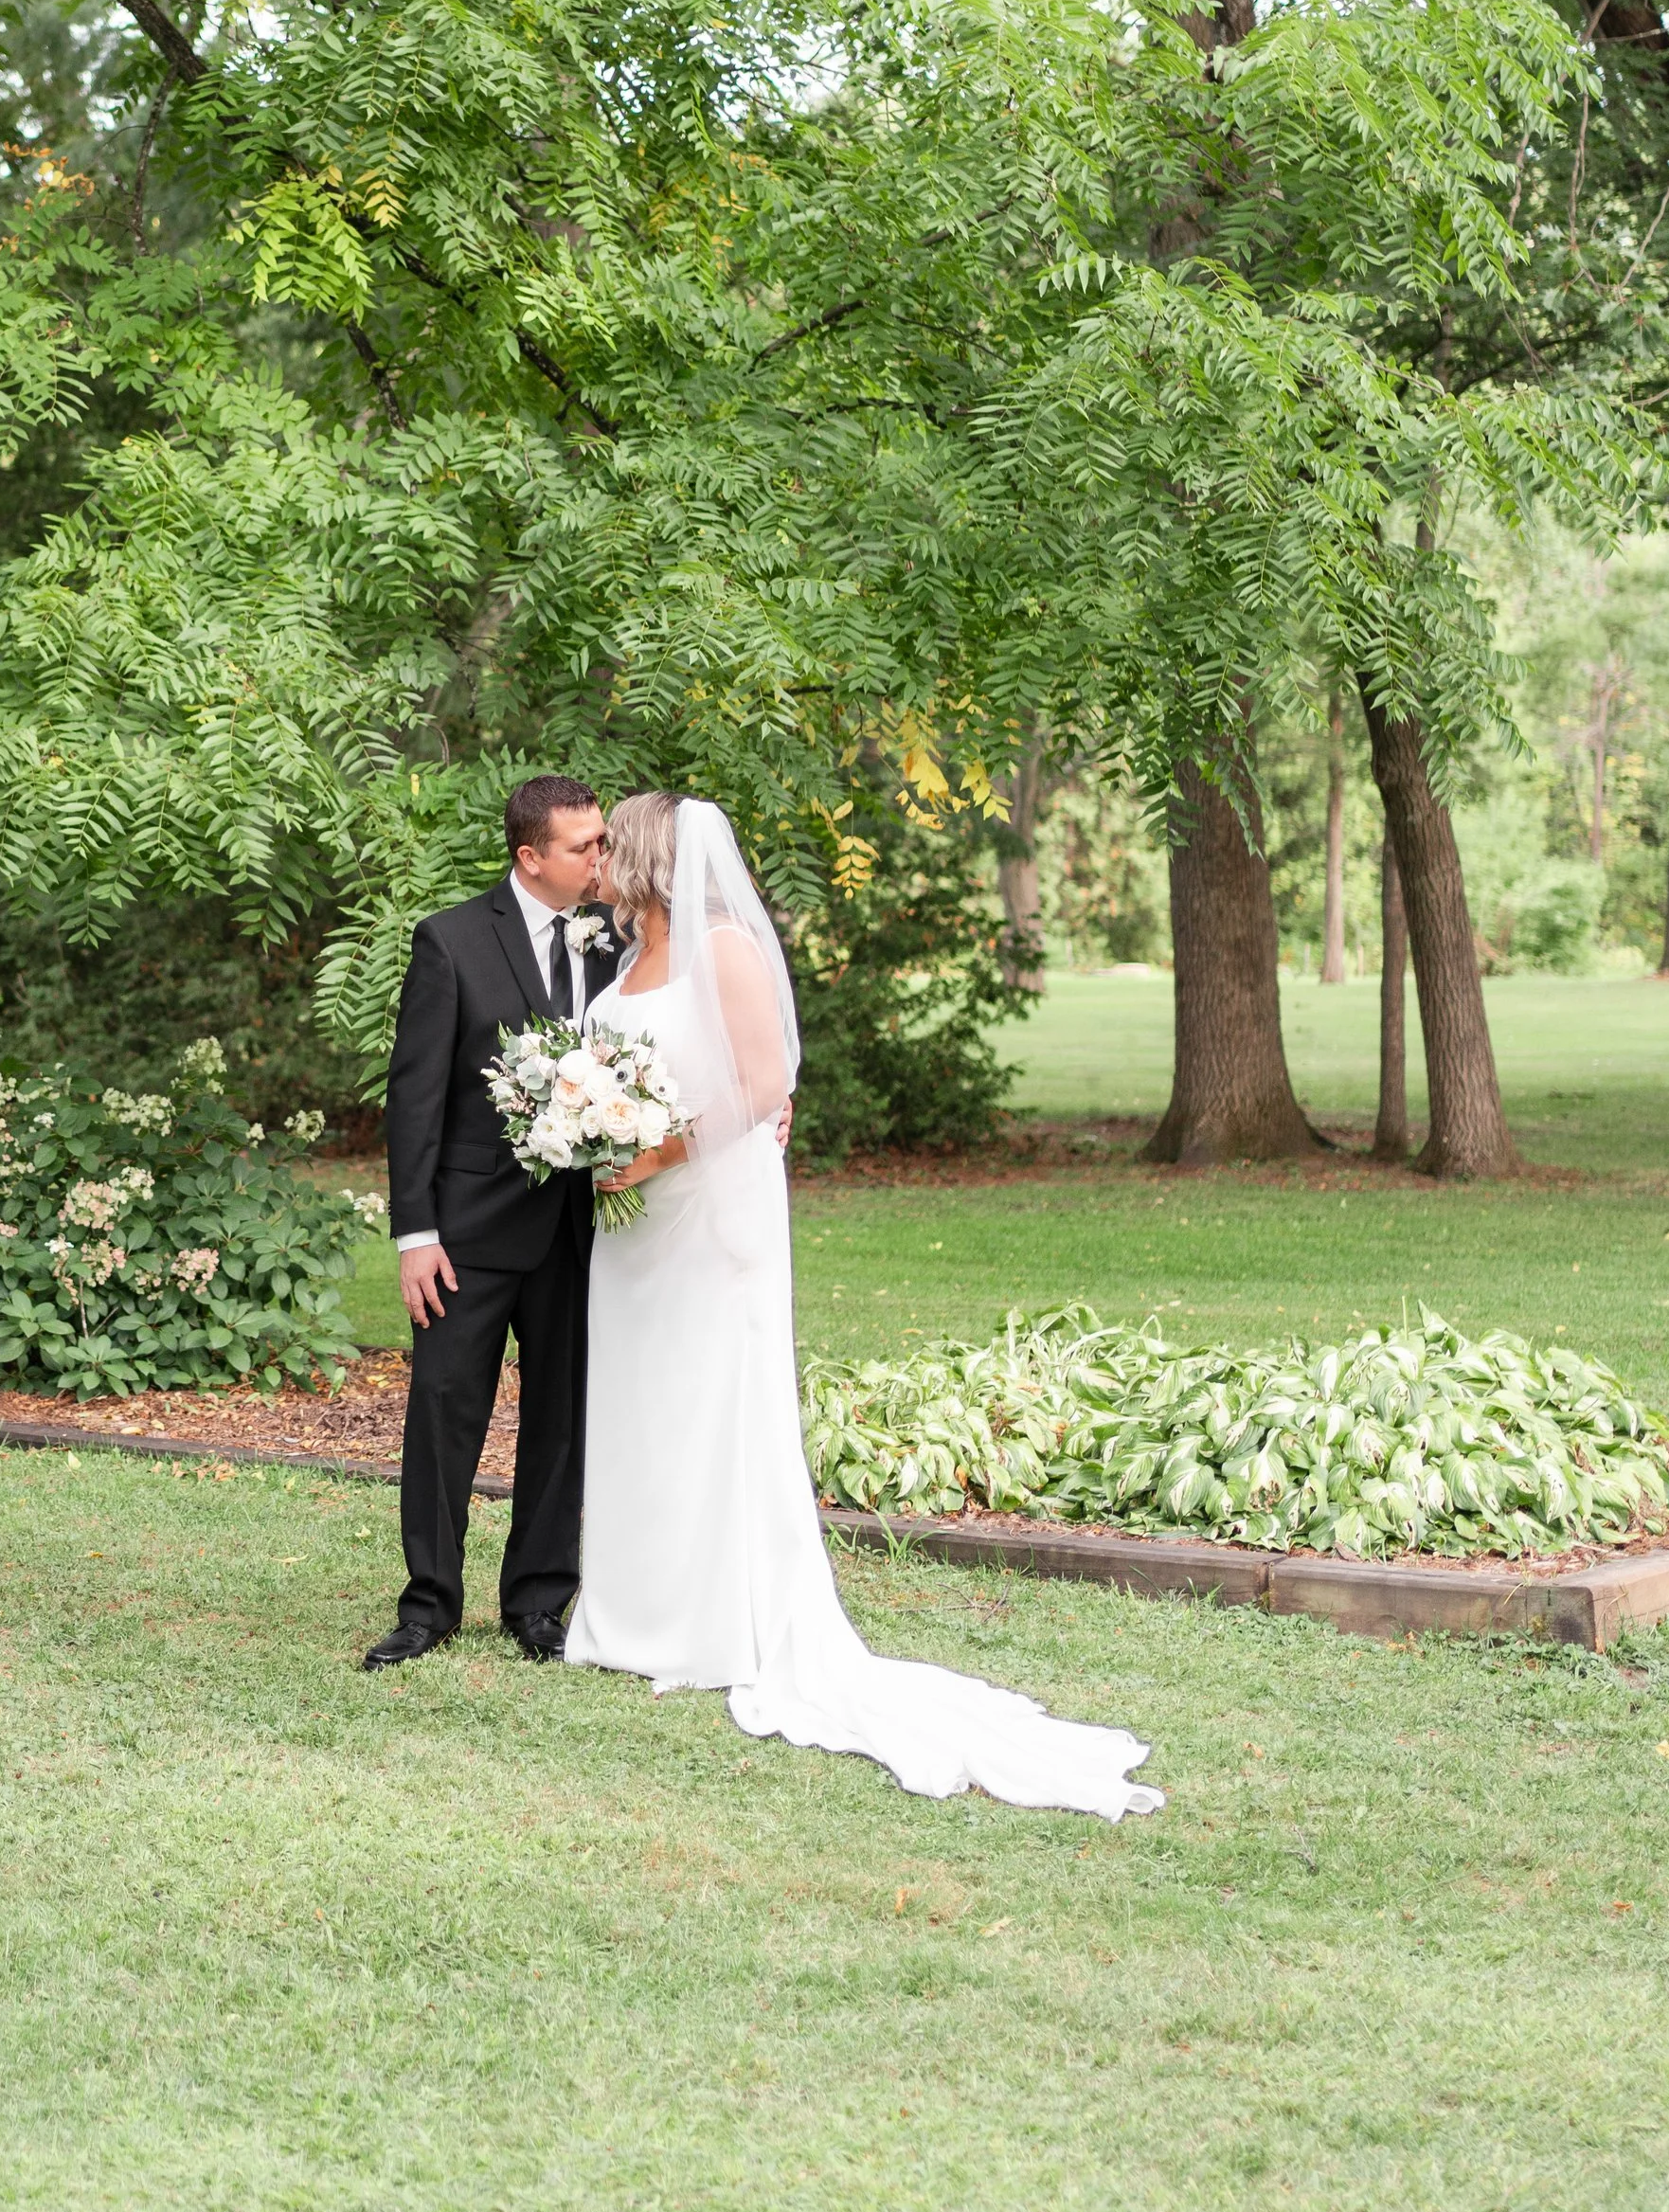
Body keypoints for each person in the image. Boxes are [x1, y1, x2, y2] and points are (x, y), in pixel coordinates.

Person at [565, 790, 1165, 1819]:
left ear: (656, 856)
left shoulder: (727, 947)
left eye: (614, 841)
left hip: (705, 1213)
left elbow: (764, 1080)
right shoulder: (618, 962)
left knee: (710, 1400)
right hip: (632, 1230)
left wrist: (652, 1149)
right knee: (641, 1403)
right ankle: (630, 1612)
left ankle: (714, 1624)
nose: (601, 856)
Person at [362, 774, 620, 1670]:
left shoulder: (614, 941)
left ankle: (540, 1604)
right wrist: (415, 1235)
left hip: (579, 1234)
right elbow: (414, 1099)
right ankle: (427, 1606)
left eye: (603, 842)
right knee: (443, 1414)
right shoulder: (453, 941)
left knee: (562, 1421)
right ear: (530, 857)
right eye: (585, 846)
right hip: (466, 1234)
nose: (601, 859)